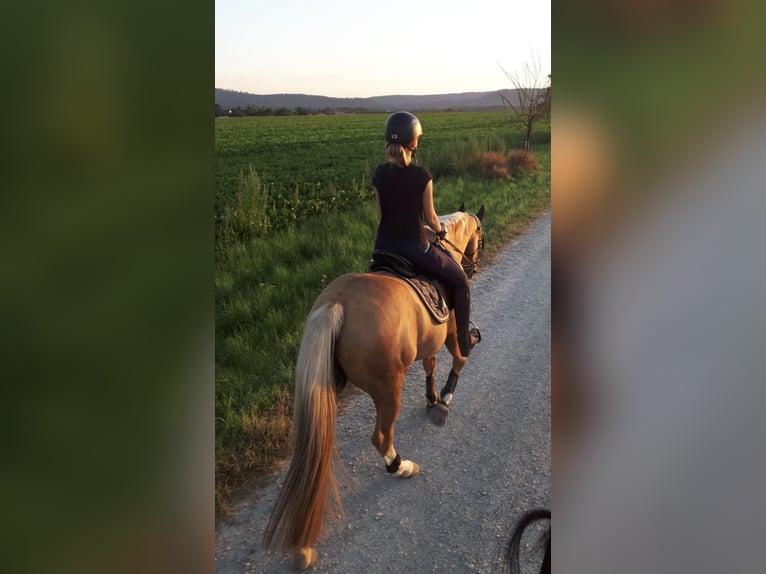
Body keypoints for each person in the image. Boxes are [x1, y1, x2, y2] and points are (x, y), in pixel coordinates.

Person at [372, 111, 479, 357]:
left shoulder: (379, 174)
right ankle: (463, 341)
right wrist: (439, 231)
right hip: (414, 248)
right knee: (461, 282)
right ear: (413, 142)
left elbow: (382, 217)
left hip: (382, 249)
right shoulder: (422, 176)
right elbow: (431, 218)